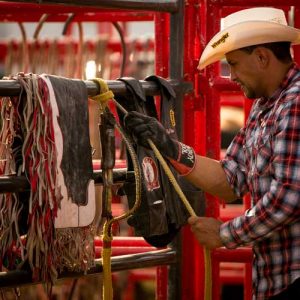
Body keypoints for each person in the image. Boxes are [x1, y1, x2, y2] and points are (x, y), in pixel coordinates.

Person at [124, 7, 300, 299]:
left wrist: (224, 234)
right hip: (277, 276)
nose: (231, 76)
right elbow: (230, 177)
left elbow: (289, 198)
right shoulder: (266, 107)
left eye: (233, 64)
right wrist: (170, 148)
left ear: (261, 57)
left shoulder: (294, 104)